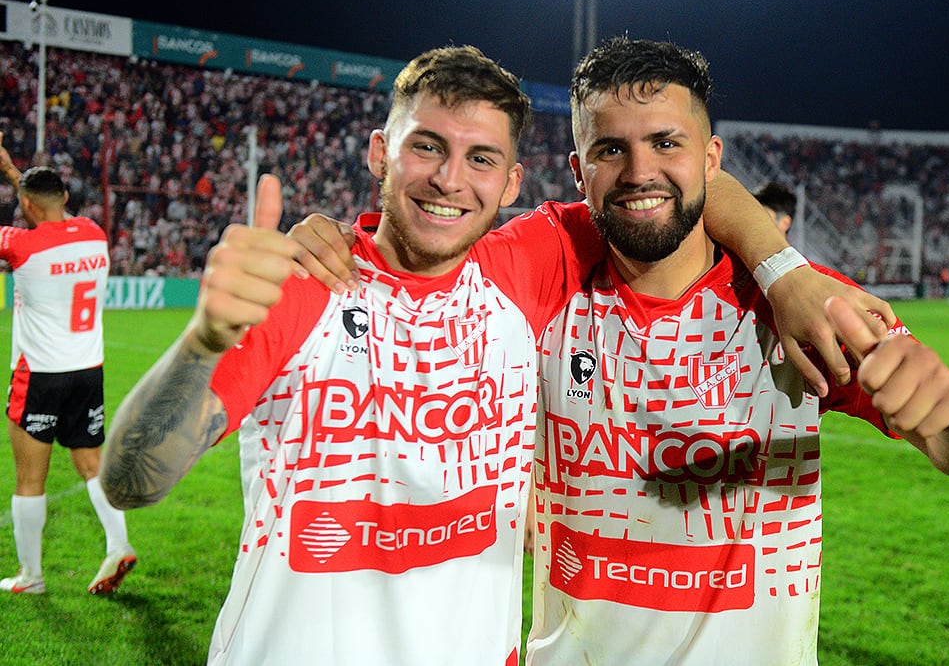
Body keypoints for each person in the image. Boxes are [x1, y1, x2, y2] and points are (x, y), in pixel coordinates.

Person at [100, 45, 891, 665]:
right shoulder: (310, 281)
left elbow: (673, 182)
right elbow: (132, 481)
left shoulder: (528, 268)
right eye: (426, 148)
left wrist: (780, 267)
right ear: (380, 152)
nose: (450, 179)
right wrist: (203, 340)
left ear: (513, 181)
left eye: (480, 159)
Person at [524, 37, 949, 665]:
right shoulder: (543, 274)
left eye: (666, 143)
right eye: (611, 148)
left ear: (711, 159)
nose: (640, 170)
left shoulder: (799, 306)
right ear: (578, 168)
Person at [0, 132, 136, 596]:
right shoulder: (94, 234)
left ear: (26, 207)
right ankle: (118, 543)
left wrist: (12, 179)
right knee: (89, 463)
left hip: (40, 375)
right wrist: (16, 176)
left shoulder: (19, 244)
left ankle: (31, 577)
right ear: (63, 197)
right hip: (88, 371)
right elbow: (50, 212)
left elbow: (28, 220)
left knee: (29, 480)